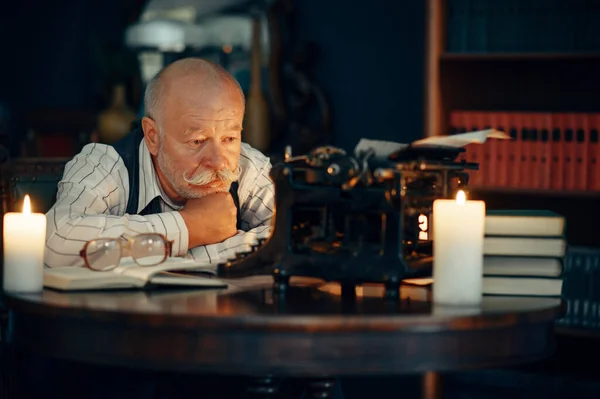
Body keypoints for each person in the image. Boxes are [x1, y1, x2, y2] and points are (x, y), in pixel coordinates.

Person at [44, 57, 274, 269]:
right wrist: (190, 227)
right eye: (198, 141)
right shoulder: (106, 164)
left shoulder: (248, 167)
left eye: (230, 138)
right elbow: (56, 242)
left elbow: (293, 241)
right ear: (153, 136)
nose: (218, 161)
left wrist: (168, 256)